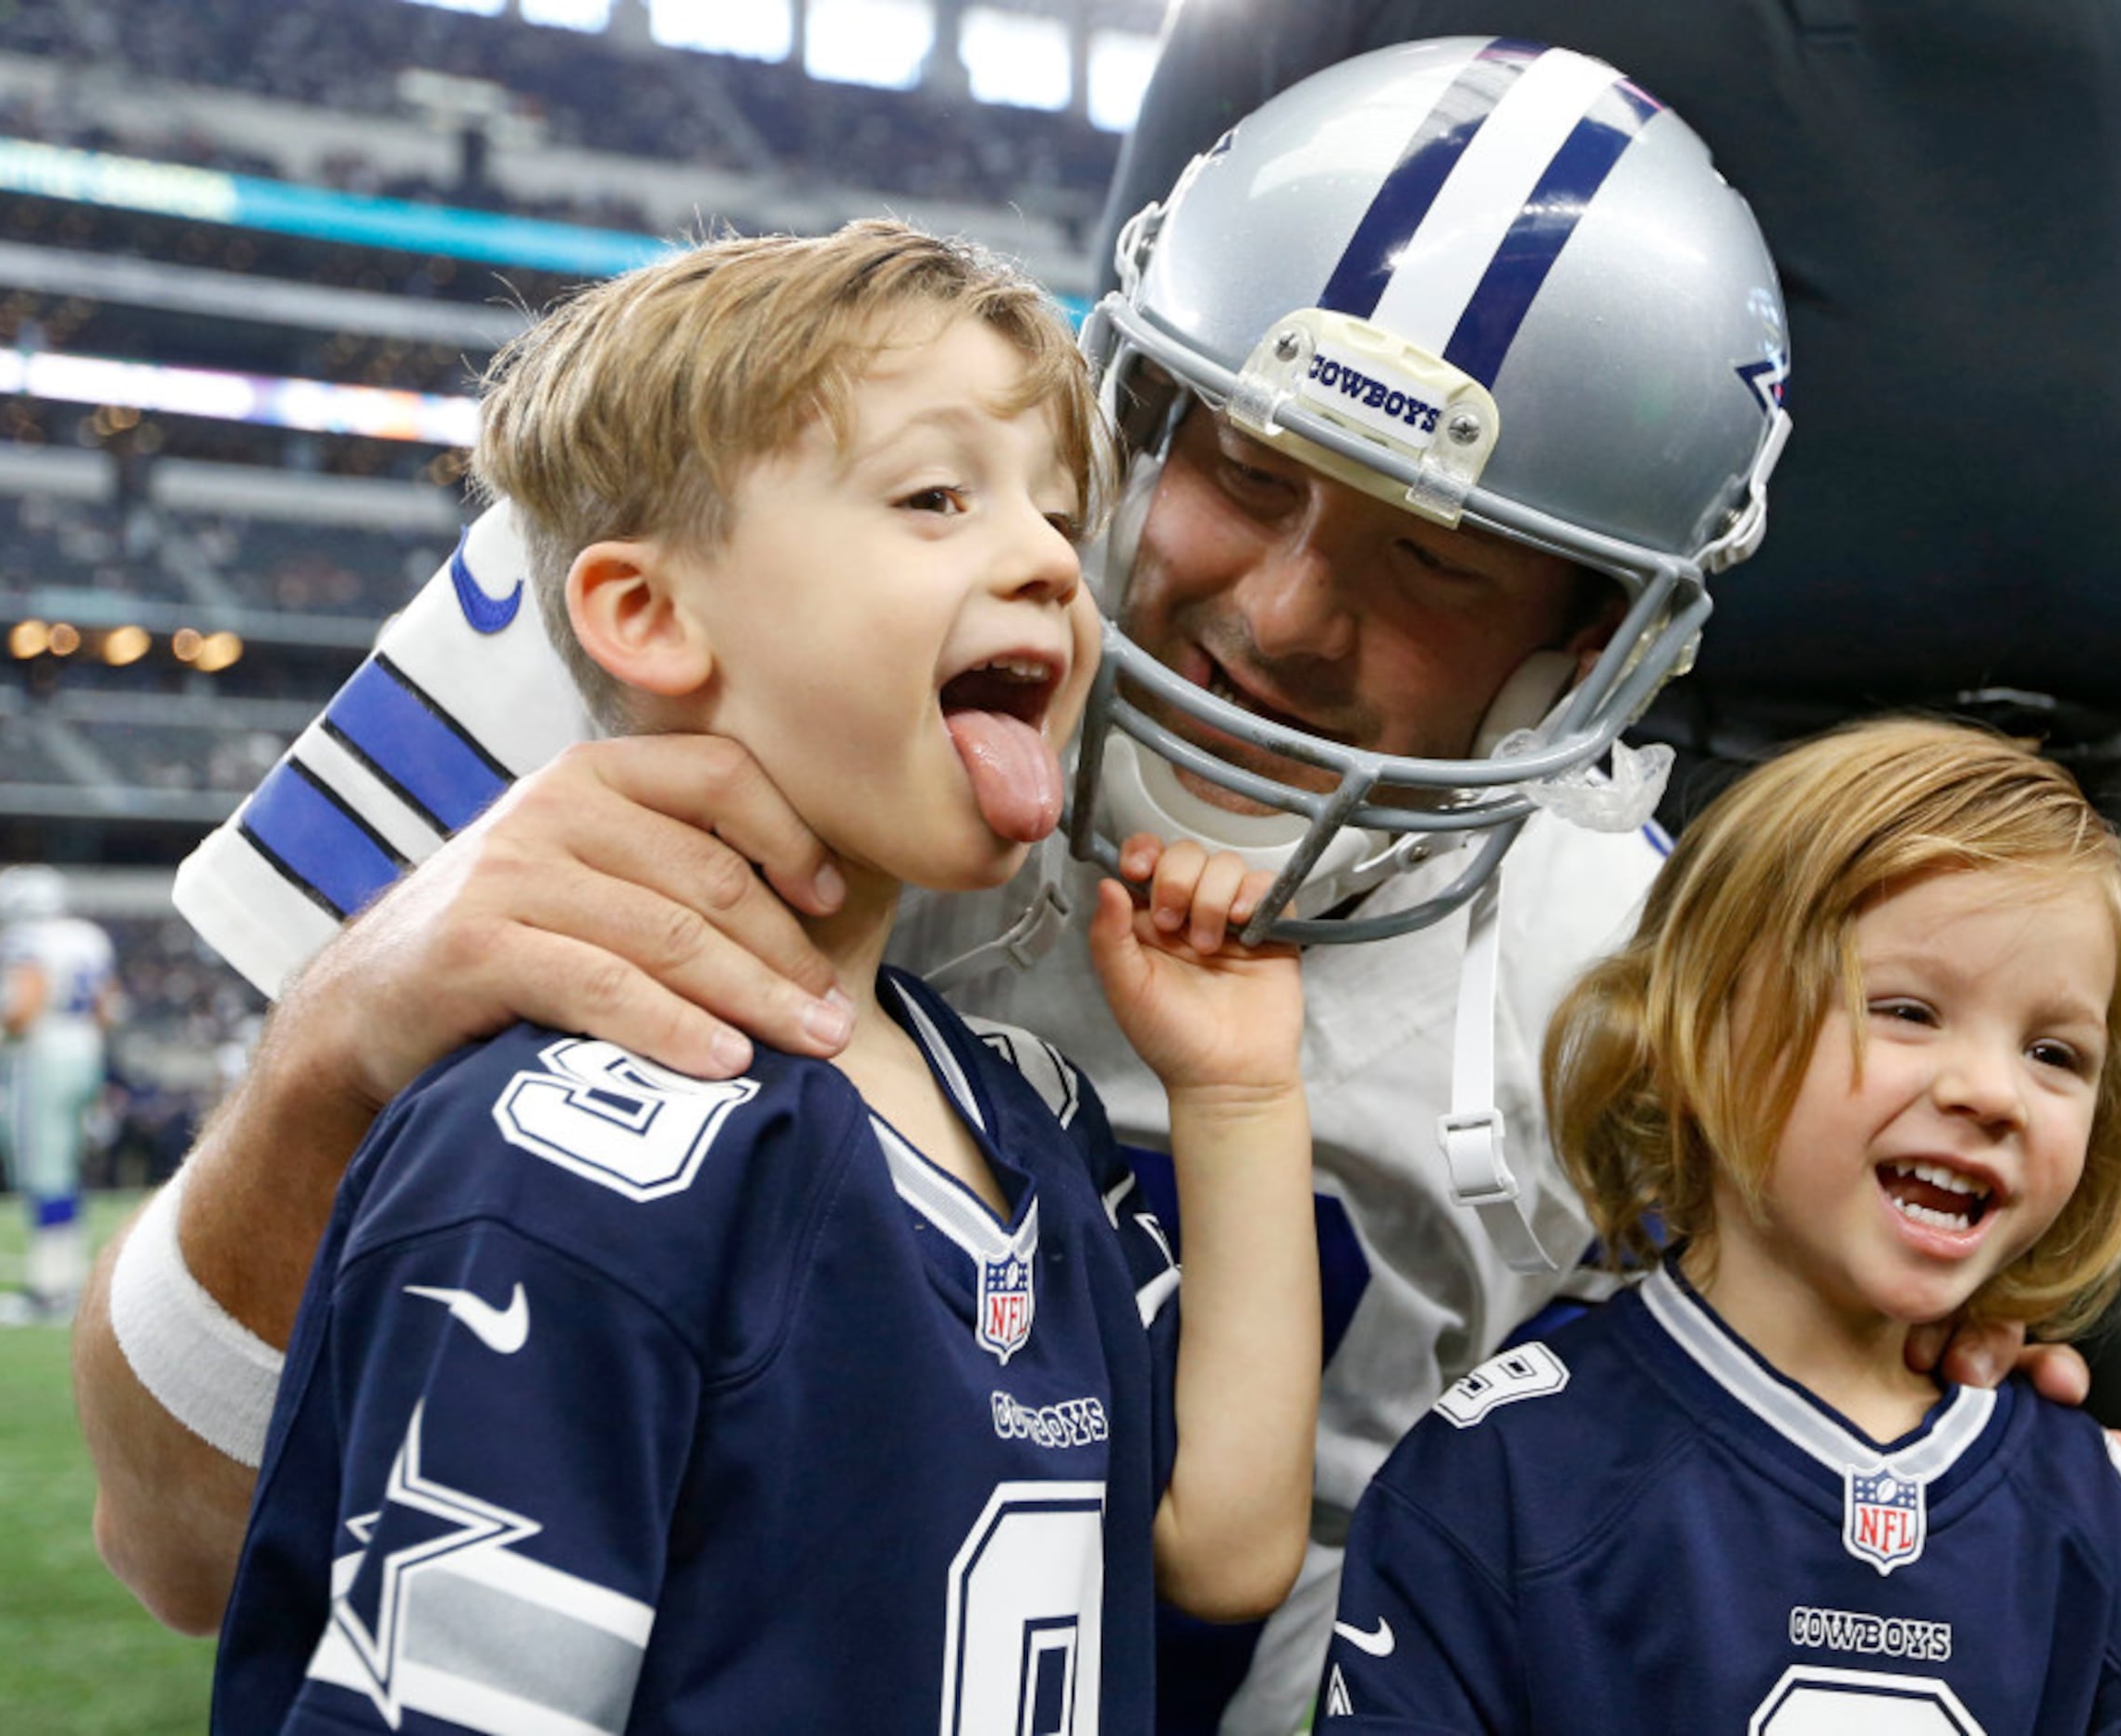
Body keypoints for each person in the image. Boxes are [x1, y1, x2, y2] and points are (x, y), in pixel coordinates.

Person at [76, 43, 2042, 1734]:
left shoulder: (1622, 980)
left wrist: (1924, 1349)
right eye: (1243, 473)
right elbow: (171, 1538)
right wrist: (342, 1036)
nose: (1276, 612)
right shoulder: (673, 607)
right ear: (1128, 407)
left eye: (1438, 563)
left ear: (1585, 642)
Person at [1097, 7, 2121, 1721]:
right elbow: (1184, 345)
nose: (1279, 597)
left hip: (2054, 824)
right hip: (1577, 780)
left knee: (2084, 1549)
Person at [210, 219, 1320, 1732]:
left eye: (1059, 517)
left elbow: (1228, 1542)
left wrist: (1242, 1092)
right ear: (650, 612)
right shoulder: (570, 1141)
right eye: (937, 495)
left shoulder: (1016, 1101)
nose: (1056, 561)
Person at [1318, 717, 2121, 1731]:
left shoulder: (2098, 1528)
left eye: (2054, 1054)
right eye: (1906, 1011)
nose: (1992, 1093)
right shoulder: (1506, 1475)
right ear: (1693, 1031)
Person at [0, 862, 117, 1326]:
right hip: (86, 1051)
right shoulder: (89, 936)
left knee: (45, 1170)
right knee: (67, 1166)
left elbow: (24, 1005)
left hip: (44, 1055)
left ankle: (50, 1289)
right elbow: (107, 1009)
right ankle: (69, 1279)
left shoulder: (28, 940)